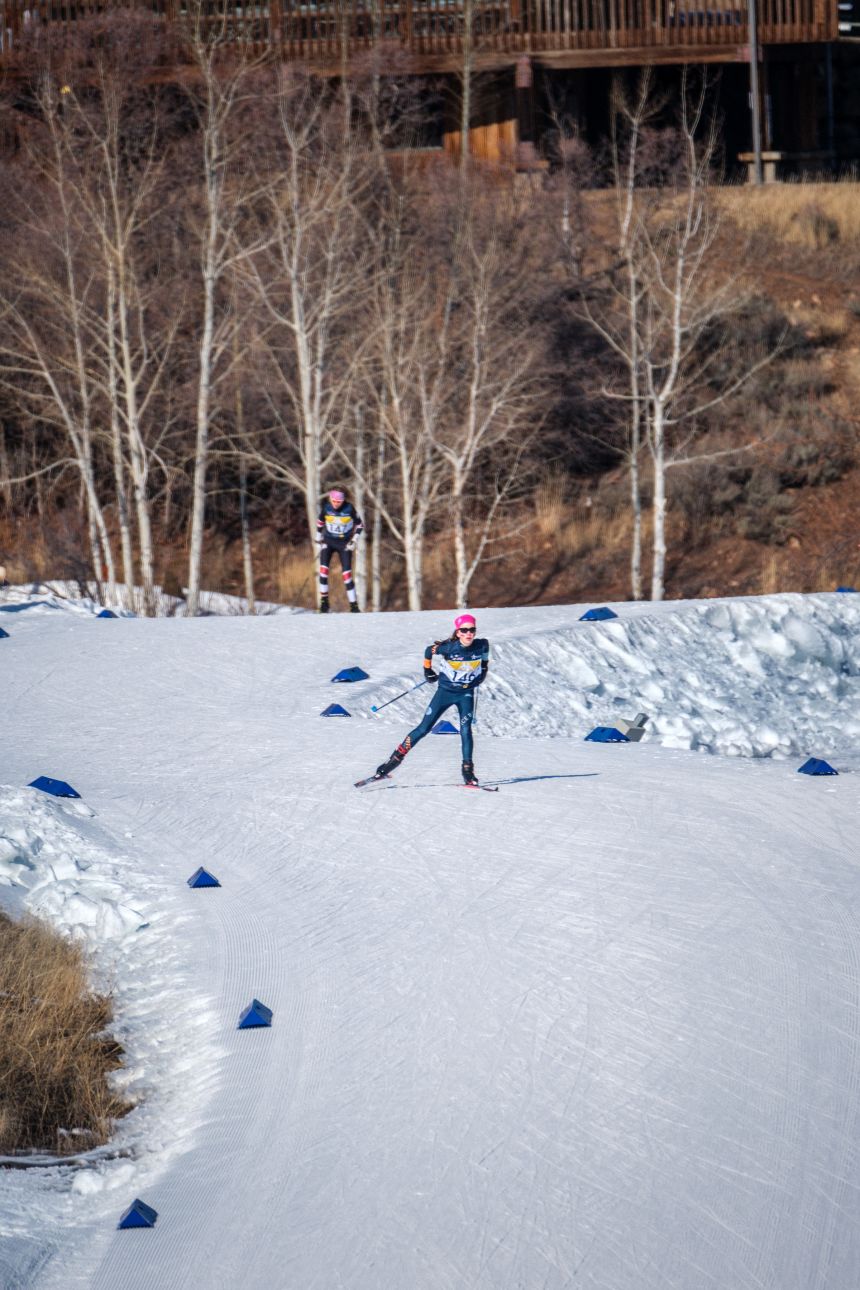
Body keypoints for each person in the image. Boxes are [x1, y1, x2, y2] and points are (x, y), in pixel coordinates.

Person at [374, 613, 489, 786]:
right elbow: (429, 651)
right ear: (458, 632)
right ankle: (393, 761)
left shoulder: (482, 644)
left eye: (472, 630)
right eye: (464, 630)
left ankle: (468, 772)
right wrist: (427, 670)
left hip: (466, 694)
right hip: (445, 693)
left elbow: (485, 656)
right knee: (424, 728)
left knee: (466, 730)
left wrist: (484, 670)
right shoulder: (449, 648)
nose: (468, 634)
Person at [316, 487, 363, 614]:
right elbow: (320, 522)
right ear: (330, 499)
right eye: (334, 501)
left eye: (339, 501)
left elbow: (360, 525)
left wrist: (354, 540)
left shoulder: (349, 508)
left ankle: (354, 606)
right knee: (323, 571)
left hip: (344, 544)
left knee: (347, 575)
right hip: (329, 541)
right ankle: (324, 603)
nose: (336, 503)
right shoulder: (326, 508)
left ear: (343, 501)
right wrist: (318, 538)